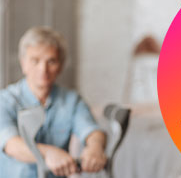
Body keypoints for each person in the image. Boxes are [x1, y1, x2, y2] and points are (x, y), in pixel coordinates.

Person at [0, 26, 107, 177]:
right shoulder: (5, 100)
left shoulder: (72, 100)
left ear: (61, 66)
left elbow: (92, 130)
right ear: (23, 63)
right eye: (35, 61)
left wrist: (95, 148)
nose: (43, 69)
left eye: (51, 61)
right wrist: (48, 153)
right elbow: (11, 145)